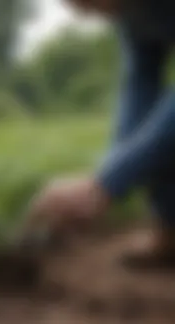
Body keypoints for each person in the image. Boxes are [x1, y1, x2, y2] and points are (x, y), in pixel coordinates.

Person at [28, 0, 175, 270]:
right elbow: (140, 83)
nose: (77, 11)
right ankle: (170, 229)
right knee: (150, 141)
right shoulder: (133, 13)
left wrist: (108, 180)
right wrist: (108, 175)